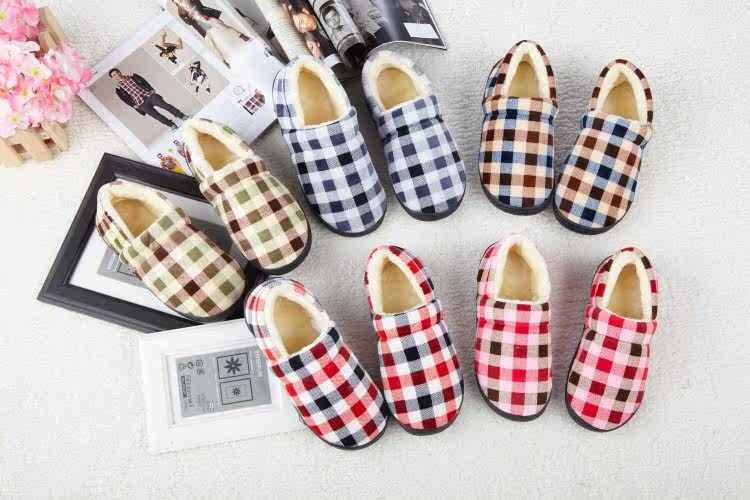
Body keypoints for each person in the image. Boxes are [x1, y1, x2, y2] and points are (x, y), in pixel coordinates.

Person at [109, 68, 190, 131]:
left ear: (120, 72)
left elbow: (144, 81)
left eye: (117, 73)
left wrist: (151, 89)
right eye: (114, 75)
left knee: (166, 106)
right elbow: (124, 99)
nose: (116, 75)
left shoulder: (132, 75)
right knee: (156, 116)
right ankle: (172, 125)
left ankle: (182, 116)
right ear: (113, 78)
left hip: (149, 95)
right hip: (140, 103)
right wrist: (134, 105)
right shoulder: (118, 88)